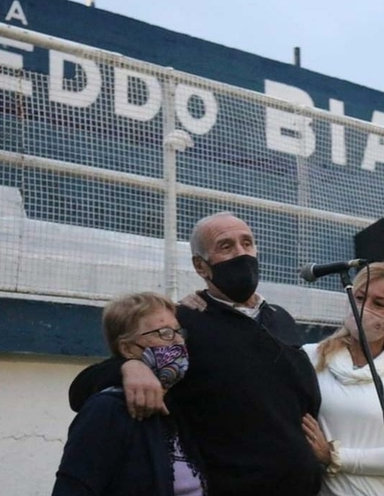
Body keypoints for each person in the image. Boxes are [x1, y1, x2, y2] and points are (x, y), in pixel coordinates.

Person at [68, 212, 323, 496]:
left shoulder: (281, 318)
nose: (241, 253)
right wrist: (129, 367)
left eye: (247, 243)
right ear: (201, 266)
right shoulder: (185, 323)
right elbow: (80, 390)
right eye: (226, 246)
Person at [300, 262, 384, 496]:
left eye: (379, 304)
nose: (364, 308)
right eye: (360, 298)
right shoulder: (311, 357)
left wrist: (334, 455)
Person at [53, 292, 204, 496]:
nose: (178, 341)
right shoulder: (108, 409)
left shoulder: (178, 404)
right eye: (165, 333)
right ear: (127, 348)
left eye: (178, 332)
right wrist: (127, 367)